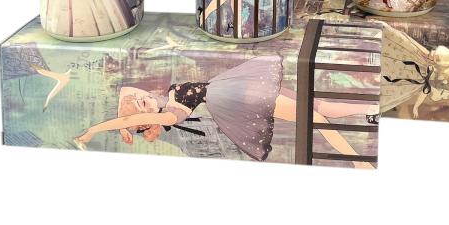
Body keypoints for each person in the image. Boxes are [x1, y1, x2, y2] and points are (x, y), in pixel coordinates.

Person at [74, 55, 376, 168]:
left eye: (142, 98)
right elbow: (134, 117)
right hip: (238, 97)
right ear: (147, 119)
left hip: (235, 87)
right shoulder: (170, 115)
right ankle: (358, 161)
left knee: (316, 107)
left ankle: (371, 107)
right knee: (313, 117)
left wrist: (124, 127)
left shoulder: (168, 95)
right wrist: (94, 130)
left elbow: (128, 95)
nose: (145, 99)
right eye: (143, 105)